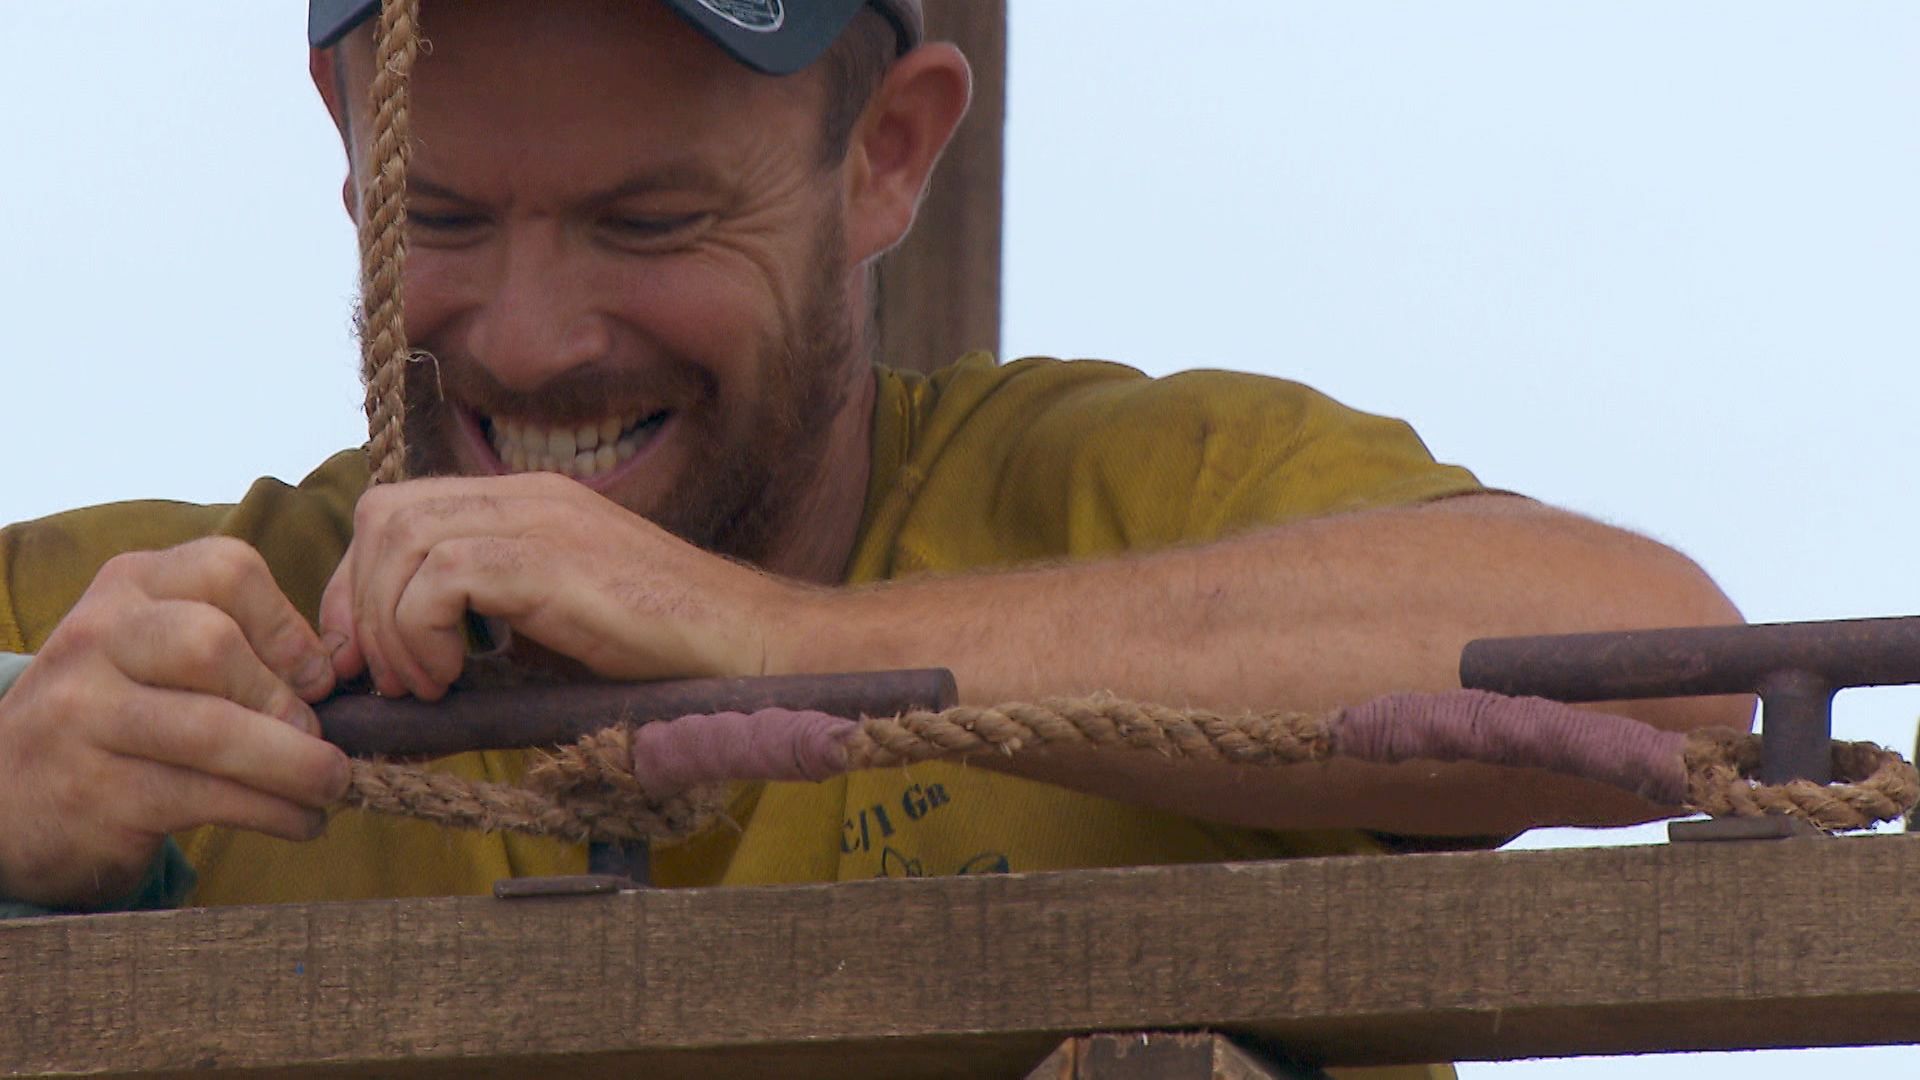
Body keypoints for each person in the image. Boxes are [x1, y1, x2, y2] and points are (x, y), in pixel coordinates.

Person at [0, 0, 1746, 918]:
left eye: (651, 218)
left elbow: (1674, 684)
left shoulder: (1129, 497)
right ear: (346, 151)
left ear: (888, 156)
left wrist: (757, 637)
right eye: (443, 214)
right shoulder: (125, 635)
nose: (530, 338)